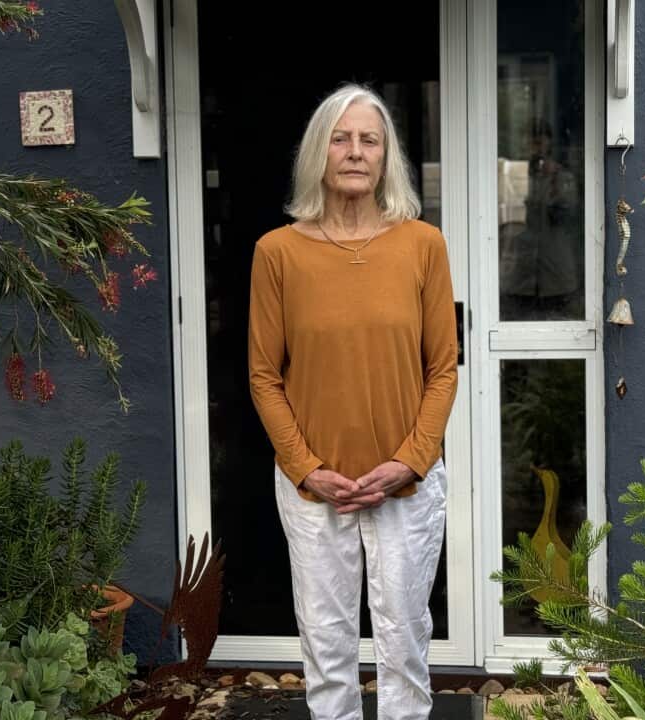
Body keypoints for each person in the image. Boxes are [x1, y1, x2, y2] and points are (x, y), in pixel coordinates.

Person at [247, 83, 459, 720]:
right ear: (320, 152)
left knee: (405, 644)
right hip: (317, 492)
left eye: (370, 140)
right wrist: (307, 468)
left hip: (406, 488)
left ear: (386, 156)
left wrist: (409, 461)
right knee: (326, 646)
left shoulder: (423, 244)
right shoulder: (277, 253)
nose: (356, 152)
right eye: (341, 139)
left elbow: (442, 369)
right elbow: (264, 376)